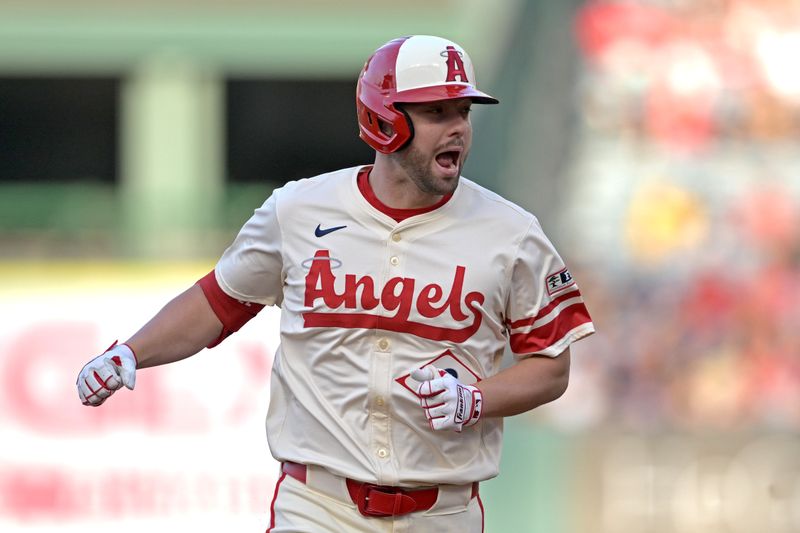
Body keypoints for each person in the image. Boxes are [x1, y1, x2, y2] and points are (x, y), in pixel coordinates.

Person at [76, 35, 595, 532]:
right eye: (436, 112)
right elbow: (219, 301)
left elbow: (552, 367)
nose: (458, 127)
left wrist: (477, 398)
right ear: (385, 120)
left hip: (445, 512)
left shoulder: (511, 232)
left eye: (463, 111)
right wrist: (131, 353)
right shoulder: (299, 210)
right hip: (319, 506)